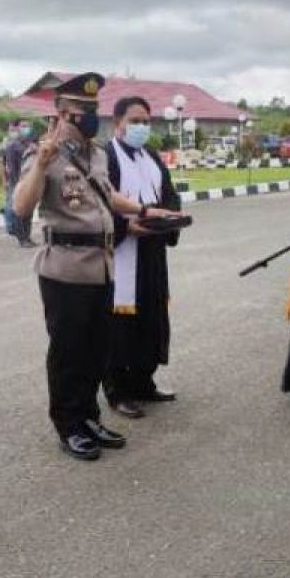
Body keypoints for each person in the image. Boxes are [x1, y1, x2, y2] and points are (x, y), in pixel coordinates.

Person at [11, 72, 180, 461]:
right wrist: (41, 165)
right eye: (80, 110)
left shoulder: (97, 153)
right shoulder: (42, 154)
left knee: (95, 350)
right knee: (69, 352)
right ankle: (68, 425)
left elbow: (108, 195)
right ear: (61, 113)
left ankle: (88, 417)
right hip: (65, 269)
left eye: (92, 109)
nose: (88, 116)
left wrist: (144, 209)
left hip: (101, 267)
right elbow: (21, 207)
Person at [102, 96, 181, 419]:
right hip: (122, 251)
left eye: (146, 121)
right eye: (135, 121)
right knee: (121, 324)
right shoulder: (105, 156)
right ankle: (117, 391)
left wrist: (173, 218)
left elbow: (169, 195)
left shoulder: (150, 156)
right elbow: (100, 202)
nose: (142, 127)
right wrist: (126, 227)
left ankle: (143, 382)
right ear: (117, 123)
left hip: (152, 251)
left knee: (152, 316)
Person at [0, 120, 36, 247]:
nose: (26, 128)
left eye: (28, 126)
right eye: (23, 126)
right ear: (18, 128)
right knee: (20, 211)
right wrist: (16, 183)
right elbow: (11, 166)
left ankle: (27, 235)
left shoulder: (30, 145)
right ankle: (22, 238)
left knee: (29, 211)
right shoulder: (12, 146)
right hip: (18, 181)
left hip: (31, 181)